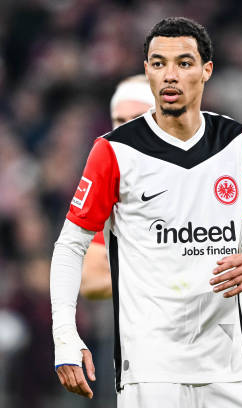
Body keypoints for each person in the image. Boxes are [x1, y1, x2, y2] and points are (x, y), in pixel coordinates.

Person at [50, 17, 242, 407]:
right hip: (151, 369)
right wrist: (65, 337)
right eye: (158, 63)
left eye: (183, 63)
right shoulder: (114, 151)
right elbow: (70, 246)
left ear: (207, 70)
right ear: (147, 71)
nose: (170, 74)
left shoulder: (238, 142)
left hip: (227, 366)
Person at [80, 74, 155, 300]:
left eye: (139, 118)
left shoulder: (208, 171)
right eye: (120, 121)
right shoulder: (112, 191)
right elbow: (90, 281)